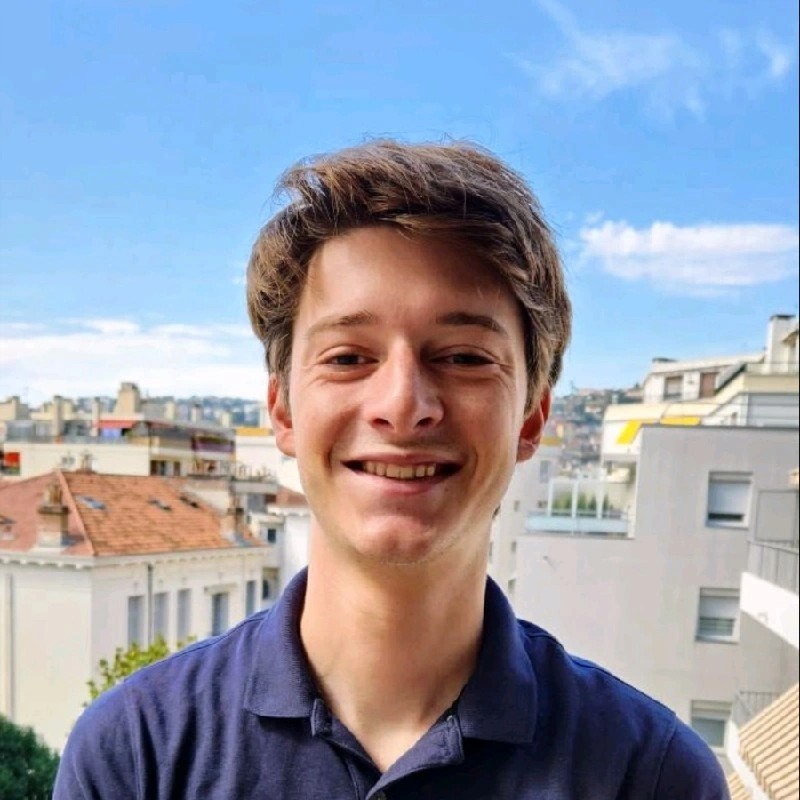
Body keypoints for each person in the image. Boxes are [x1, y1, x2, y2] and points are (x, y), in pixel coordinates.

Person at [54, 140, 730, 799]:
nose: (403, 406)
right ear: (283, 411)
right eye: (349, 357)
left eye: (464, 357)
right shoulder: (135, 755)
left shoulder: (651, 776)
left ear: (530, 418)